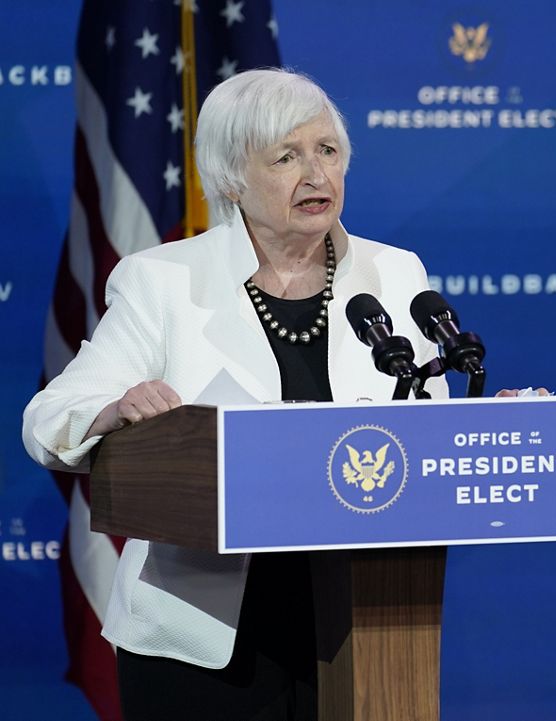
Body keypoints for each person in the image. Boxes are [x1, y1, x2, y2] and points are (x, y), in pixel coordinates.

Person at [22, 68, 452, 719]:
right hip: (202, 635)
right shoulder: (163, 281)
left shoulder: (393, 272)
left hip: (367, 620)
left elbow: (429, 428)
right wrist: (116, 410)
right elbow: (50, 417)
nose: (316, 175)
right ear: (229, 179)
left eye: (328, 152)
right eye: (287, 157)